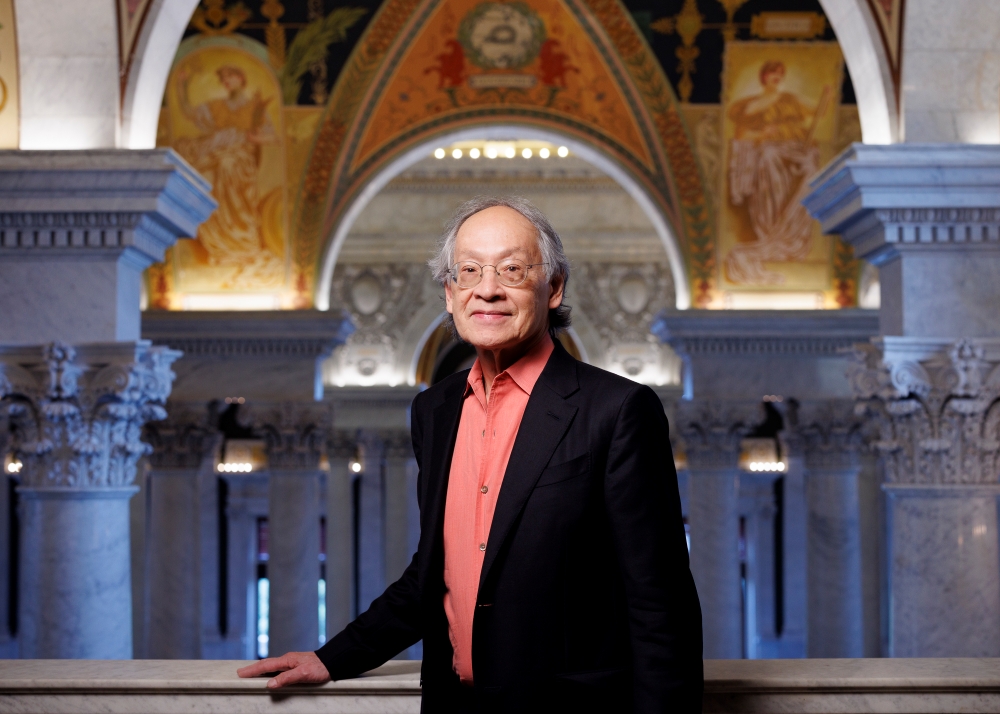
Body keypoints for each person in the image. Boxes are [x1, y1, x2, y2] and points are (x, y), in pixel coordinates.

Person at [237, 196, 703, 713]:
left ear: (553, 288)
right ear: (449, 292)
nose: (487, 288)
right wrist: (334, 657)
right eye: (469, 270)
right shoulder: (434, 411)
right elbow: (434, 574)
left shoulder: (618, 410)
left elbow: (660, 603)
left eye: (511, 269)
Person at [726, 60, 831, 285]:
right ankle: (772, 227)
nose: (777, 77)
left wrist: (826, 96)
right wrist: (763, 133)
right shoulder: (752, 105)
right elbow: (742, 135)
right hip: (770, 151)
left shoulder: (790, 99)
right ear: (764, 77)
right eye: (773, 73)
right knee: (768, 156)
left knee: (810, 170)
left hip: (796, 148)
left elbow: (817, 110)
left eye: (780, 73)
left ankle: (792, 230)